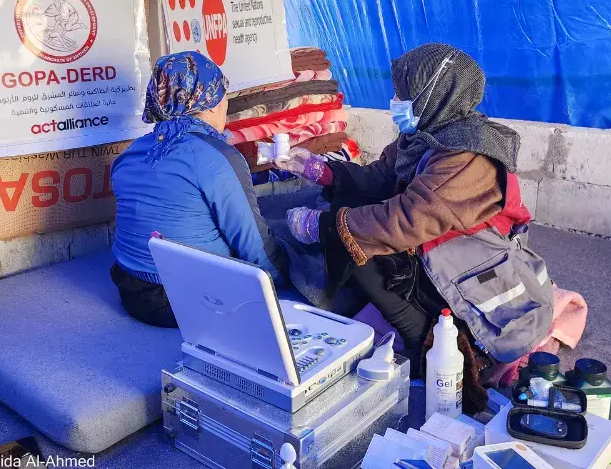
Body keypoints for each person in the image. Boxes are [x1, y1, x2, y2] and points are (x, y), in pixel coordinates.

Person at [276, 43, 553, 412]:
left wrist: (322, 225)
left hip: (472, 270)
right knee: (349, 214)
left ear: (435, 94)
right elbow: (380, 176)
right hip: (435, 248)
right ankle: (385, 311)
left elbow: (405, 220)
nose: (395, 101)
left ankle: (431, 345)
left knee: (358, 244)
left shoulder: (469, 157)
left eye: (402, 94)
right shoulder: (426, 134)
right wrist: (324, 170)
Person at [111, 52, 288, 328]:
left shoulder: (131, 152)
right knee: (289, 235)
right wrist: (281, 278)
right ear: (209, 101)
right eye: (222, 94)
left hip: (131, 291)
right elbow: (250, 241)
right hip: (189, 302)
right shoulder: (216, 155)